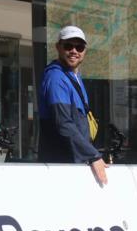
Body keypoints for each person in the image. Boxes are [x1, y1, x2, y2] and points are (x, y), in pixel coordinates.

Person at [38, 25, 108, 186]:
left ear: (85, 51)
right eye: (68, 46)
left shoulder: (73, 76)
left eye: (80, 47)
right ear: (58, 47)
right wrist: (93, 156)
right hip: (61, 167)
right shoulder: (56, 77)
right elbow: (63, 123)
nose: (74, 51)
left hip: (73, 164)